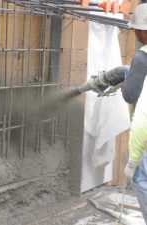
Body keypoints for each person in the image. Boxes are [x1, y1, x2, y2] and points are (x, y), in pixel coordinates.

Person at [121, 3, 147, 223]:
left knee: (142, 182)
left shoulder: (142, 57)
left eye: (137, 30)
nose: (136, 34)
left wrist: (132, 162)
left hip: (145, 143)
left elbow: (130, 95)